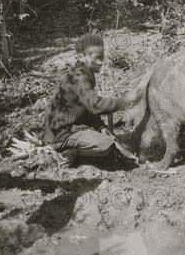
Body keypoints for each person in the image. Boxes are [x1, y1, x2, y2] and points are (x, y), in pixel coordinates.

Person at [40, 33, 141, 168]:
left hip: (68, 126)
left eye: (101, 57)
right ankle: (68, 153)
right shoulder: (79, 77)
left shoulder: (84, 72)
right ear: (81, 57)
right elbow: (95, 105)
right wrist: (125, 100)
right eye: (96, 58)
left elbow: (86, 107)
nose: (100, 62)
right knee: (106, 146)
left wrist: (100, 126)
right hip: (61, 133)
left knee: (106, 140)